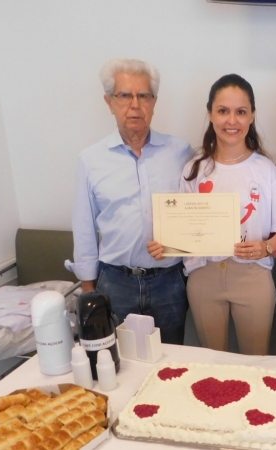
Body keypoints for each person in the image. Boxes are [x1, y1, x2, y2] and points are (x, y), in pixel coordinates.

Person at [148, 74, 276, 355]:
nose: (231, 121)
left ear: (252, 116)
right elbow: (185, 230)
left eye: (241, 112)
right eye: (223, 111)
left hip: (253, 278)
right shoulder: (194, 169)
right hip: (204, 276)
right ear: (210, 114)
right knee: (211, 361)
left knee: (256, 363)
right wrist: (166, 245)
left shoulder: (266, 170)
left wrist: (265, 247)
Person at [66, 58, 193, 345]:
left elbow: (195, 215)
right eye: (125, 95)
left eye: (143, 95)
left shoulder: (180, 152)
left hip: (170, 282)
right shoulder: (91, 160)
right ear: (109, 101)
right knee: (119, 365)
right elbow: (84, 227)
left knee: (171, 362)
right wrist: (89, 289)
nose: (135, 104)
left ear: (154, 102)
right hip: (115, 283)